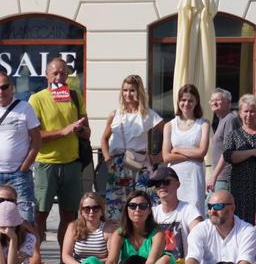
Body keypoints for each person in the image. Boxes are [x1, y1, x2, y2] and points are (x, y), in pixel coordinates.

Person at [29, 57, 91, 247]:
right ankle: (36, 258)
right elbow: (34, 135)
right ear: (46, 75)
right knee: (40, 214)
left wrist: (78, 129)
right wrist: (63, 131)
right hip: (46, 163)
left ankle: (65, 258)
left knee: (69, 214)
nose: (59, 77)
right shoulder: (37, 99)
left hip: (72, 163)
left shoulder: (74, 95)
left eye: (63, 73)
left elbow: (87, 133)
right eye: (55, 73)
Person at [80, 190, 174, 264]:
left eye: (143, 206)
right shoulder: (119, 233)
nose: (137, 210)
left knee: (166, 259)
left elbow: (151, 263)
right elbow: (112, 261)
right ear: (127, 209)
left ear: (149, 210)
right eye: (133, 206)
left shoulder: (157, 234)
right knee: (90, 262)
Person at [163, 190, 256, 264]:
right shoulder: (200, 229)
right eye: (210, 207)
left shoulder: (247, 230)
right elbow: (193, 259)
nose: (212, 211)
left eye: (218, 206)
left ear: (232, 208)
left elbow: (244, 263)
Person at [0, 71, 41, 225]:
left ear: (12, 88)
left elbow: (37, 139)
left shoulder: (25, 108)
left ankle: (29, 249)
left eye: (4, 87)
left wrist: (25, 166)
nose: (0, 92)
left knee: (25, 219)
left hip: (19, 174)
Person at [100, 74, 163, 222]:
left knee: (145, 204)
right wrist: (107, 159)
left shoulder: (148, 115)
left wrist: (158, 156)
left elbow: (168, 131)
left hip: (140, 163)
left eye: (132, 90)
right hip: (117, 164)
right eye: (125, 90)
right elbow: (104, 138)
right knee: (117, 208)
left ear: (139, 91)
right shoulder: (115, 114)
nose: (128, 94)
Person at [51, 192, 115, 264]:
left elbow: (112, 257)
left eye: (95, 208)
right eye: (87, 208)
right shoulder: (73, 227)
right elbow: (66, 256)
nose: (91, 212)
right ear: (81, 211)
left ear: (102, 211)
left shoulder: (109, 229)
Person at [162, 84, 210, 212]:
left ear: (196, 102)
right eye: (183, 100)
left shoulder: (203, 124)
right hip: (175, 175)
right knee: (174, 210)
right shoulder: (169, 125)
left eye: (190, 100)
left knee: (195, 210)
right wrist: (194, 155)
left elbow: (202, 152)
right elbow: (166, 156)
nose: (186, 103)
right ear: (178, 102)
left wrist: (177, 150)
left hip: (194, 176)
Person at [147, 167, 202, 262]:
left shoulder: (189, 209)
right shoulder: (152, 213)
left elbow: (201, 237)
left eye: (166, 182)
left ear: (178, 184)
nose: (161, 186)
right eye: (157, 184)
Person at [222, 94, 256, 224]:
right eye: (246, 111)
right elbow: (229, 156)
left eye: (252, 111)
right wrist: (252, 152)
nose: (249, 114)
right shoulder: (233, 135)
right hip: (240, 187)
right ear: (240, 113)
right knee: (241, 222)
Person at [207, 88, 240, 193]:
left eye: (218, 100)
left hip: (225, 177)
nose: (214, 102)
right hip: (221, 176)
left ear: (229, 103)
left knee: (216, 207)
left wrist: (214, 176)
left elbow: (227, 150)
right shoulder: (222, 120)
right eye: (212, 100)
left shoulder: (230, 119)